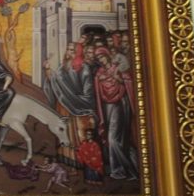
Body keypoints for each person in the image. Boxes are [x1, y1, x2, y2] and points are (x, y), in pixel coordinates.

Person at [43, 42, 96, 172]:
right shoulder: (63, 67)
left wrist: (75, 100)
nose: (68, 52)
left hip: (77, 108)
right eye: (68, 49)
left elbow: (88, 93)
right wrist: (48, 70)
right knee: (64, 134)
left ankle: (80, 166)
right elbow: (55, 82)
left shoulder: (84, 68)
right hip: (63, 107)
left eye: (72, 50)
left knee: (77, 136)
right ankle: (67, 165)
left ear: (78, 52)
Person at [94, 48, 138, 180]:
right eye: (98, 58)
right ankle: (121, 170)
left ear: (107, 55)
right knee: (116, 139)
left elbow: (128, 82)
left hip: (120, 104)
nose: (101, 60)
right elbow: (99, 92)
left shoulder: (117, 68)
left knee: (114, 139)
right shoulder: (99, 72)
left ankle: (129, 170)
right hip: (108, 106)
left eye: (102, 56)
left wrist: (118, 78)